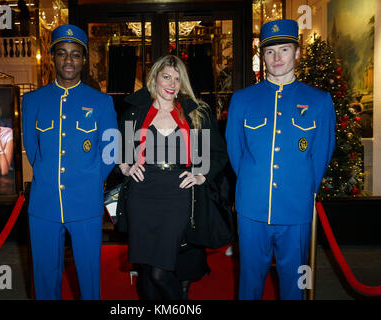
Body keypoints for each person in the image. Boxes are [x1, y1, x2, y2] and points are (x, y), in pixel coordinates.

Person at [225, 19, 336, 300]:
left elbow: (320, 156)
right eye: (270, 52)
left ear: (297, 53)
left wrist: (301, 187)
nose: (277, 58)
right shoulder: (242, 99)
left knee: (295, 284)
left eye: (284, 50)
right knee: (249, 282)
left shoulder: (319, 101)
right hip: (252, 207)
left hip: (296, 208)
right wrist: (255, 180)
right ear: (262, 55)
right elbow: (236, 154)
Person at [118, 54, 228, 300]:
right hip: (142, 193)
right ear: (154, 78)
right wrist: (125, 167)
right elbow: (122, 152)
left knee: (160, 270)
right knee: (146, 268)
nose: (171, 84)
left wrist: (202, 175)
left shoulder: (196, 113)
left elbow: (218, 154)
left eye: (177, 79)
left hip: (178, 194)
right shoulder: (135, 112)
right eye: (166, 77)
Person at [22, 24, 118, 300]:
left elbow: (111, 149)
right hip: (44, 203)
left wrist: (91, 179)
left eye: (75, 54)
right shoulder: (32, 101)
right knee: (44, 275)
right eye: (62, 53)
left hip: (85, 202)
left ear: (84, 60)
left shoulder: (100, 102)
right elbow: (33, 148)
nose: (68, 60)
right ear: (52, 57)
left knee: (89, 275)